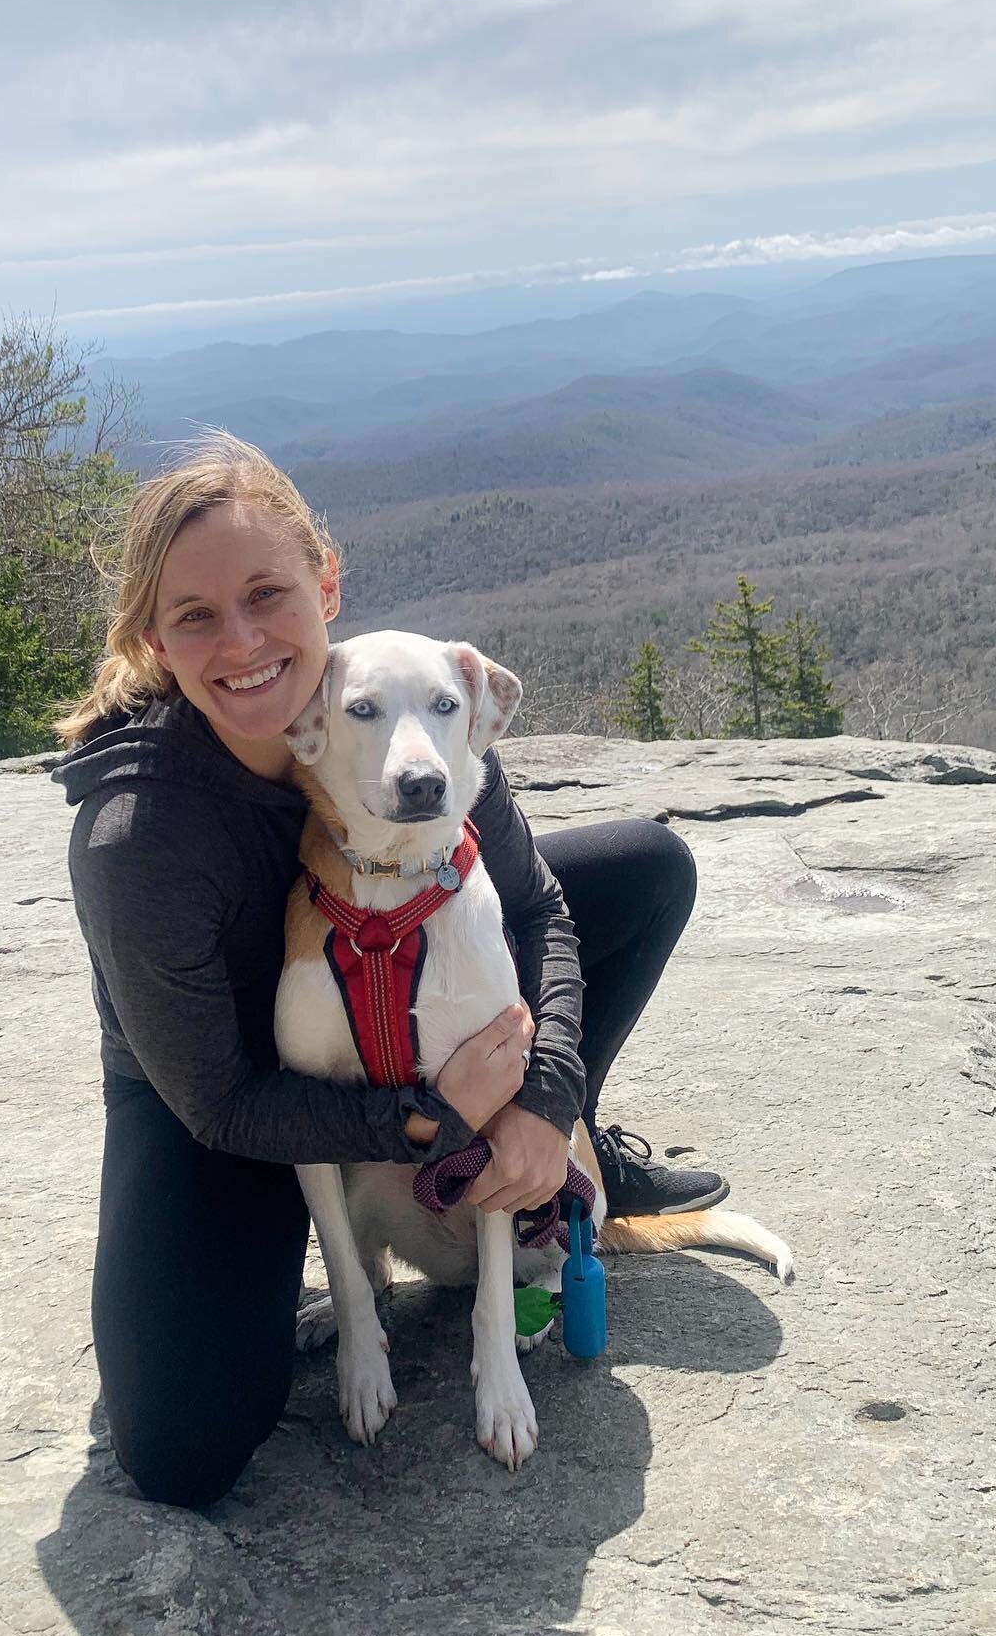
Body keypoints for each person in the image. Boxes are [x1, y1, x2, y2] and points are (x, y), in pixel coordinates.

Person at [54, 430, 726, 1510]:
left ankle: (564, 1166)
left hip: (409, 984)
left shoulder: (414, 716)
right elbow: (221, 1100)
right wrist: (426, 1123)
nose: (242, 641)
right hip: (228, 1096)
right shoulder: (143, 829)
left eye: (267, 594)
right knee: (184, 1448)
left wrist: (543, 1099)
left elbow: (539, 907)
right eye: (195, 616)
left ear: (326, 585)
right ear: (154, 639)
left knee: (644, 869)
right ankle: (328, 1241)